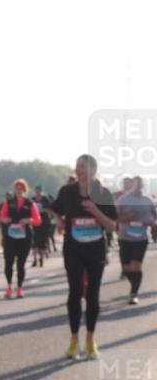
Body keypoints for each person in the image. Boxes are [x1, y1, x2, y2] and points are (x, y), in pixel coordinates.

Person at [52, 154, 117, 359]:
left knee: (92, 294)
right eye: (77, 166)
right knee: (74, 292)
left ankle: (90, 339)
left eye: (83, 167)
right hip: (73, 248)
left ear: (93, 170)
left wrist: (95, 211)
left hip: (95, 248)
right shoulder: (67, 191)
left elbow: (112, 225)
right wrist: (60, 222)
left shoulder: (103, 193)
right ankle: (73, 340)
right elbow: (54, 210)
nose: (79, 170)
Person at [116, 176, 155, 305]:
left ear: (143, 185)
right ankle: (134, 286)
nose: (138, 187)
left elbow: (154, 218)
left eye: (140, 184)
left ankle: (134, 294)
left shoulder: (148, 200)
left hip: (141, 238)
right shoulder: (123, 199)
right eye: (136, 184)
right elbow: (114, 217)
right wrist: (127, 217)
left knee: (136, 266)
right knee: (127, 268)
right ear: (132, 185)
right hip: (125, 238)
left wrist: (150, 223)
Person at [0, 179, 41, 299]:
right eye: (17, 188)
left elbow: (38, 220)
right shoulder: (8, 202)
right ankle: (9, 287)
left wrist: (28, 220)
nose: (19, 190)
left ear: (25, 190)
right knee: (8, 263)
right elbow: (2, 216)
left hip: (25, 237)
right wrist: (5, 219)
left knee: (20, 264)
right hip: (10, 237)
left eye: (21, 188)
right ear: (14, 189)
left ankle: (19, 288)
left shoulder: (30, 203)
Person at [30, 185, 54, 268]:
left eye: (39, 190)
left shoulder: (45, 199)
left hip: (44, 222)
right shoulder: (32, 200)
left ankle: (41, 258)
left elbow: (50, 209)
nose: (38, 192)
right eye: (36, 190)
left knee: (42, 242)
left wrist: (42, 210)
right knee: (34, 242)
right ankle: (35, 259)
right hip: (35, 223)